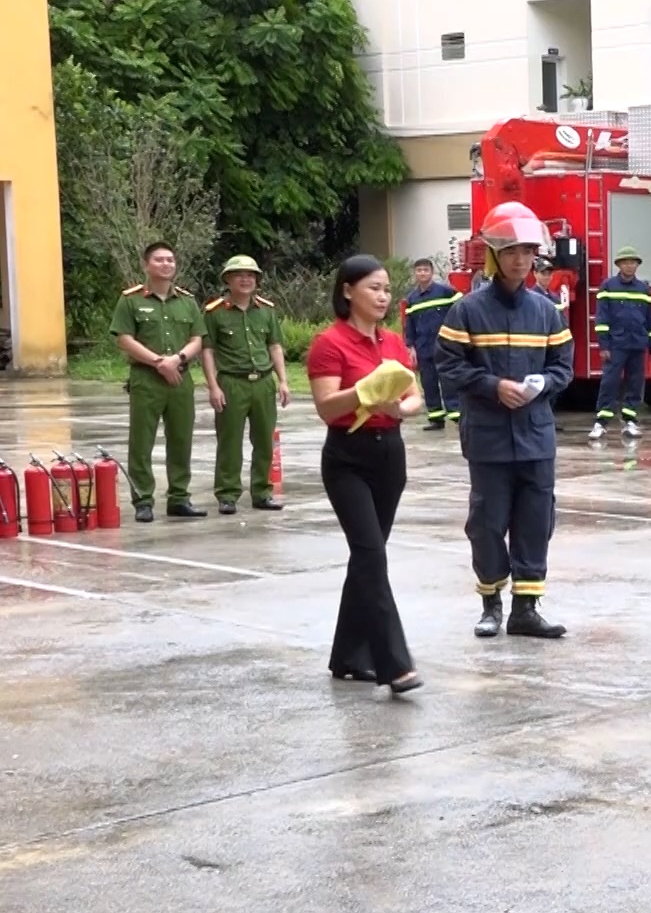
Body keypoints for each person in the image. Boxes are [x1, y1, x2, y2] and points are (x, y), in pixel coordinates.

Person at [436, 201, 574, 640]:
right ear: (495, 254)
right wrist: (494, 386)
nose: (521, 260)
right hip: (489, 436)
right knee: (488, 522)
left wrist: (542, 385)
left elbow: (563, 366)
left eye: (528, 252)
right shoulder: (467, 310)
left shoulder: (546, 311)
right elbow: (449, 365)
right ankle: (491, 604)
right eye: (512, 251)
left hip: (535, 437)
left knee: (536, 520)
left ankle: (526, 609)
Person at [306, 255, 426, 696]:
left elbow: (415, 397)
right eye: (373, 288)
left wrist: (398, 407)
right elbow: (325, 406)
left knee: (366, 559)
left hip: (389, 456)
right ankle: (392, 662)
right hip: (347, 459)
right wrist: (365, 392)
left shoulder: (393, 342)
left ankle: (346, 657)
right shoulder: (329, 343)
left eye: (385, 289)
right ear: (347, 291)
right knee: (372, 556)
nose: (382, 296)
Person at [110, 241, 208, 522]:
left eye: (170, 260)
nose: (166, 265)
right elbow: (124, 339)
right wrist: (157, 362)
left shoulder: (187, 301)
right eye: (159, 260)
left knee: (181, 439)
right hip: (146, 379)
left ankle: (179, 497)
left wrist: (176, 359)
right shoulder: (131, 300)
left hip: (180, 377)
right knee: (141, 441)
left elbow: (197, 339)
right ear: (146, 265)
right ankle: (143, 499)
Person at [201, 255, 290, 515]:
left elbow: (274, 345)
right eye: (239, 274)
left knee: (264, 440)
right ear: (227, 279)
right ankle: (227, 494)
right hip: (231, 382)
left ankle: (262, 492)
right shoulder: (214, 312)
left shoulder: (266, 310)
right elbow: (207, 351)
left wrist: (283, 381)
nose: (245, 279)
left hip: (263, 382)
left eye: (251, 275)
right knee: (229, 442)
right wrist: (213, 386)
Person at [589, 246, 651, 441]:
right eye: (626, 262)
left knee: (635, 384)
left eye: (633, 262)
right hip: (616, 345)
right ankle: (600, 423)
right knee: (609, 383)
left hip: (637, 345)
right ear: (619, 265)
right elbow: (601, 318)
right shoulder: (608, 287)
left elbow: (650, 320)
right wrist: (604, 345)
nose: (630, 266)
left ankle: (630, 421)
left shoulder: (643, 289)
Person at [400, 258, 464, 431]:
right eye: (419, 270)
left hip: (444, 346)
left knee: (448, 381)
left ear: (431, 272)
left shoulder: (446, 291)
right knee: (428, 383)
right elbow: (409, 325)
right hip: (423, 348)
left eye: (425, 270)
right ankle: (436, 418)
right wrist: (410, 346)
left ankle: (457, 416)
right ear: (415, 273)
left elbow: (460, 311)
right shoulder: (412, 298)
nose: (422, 273)